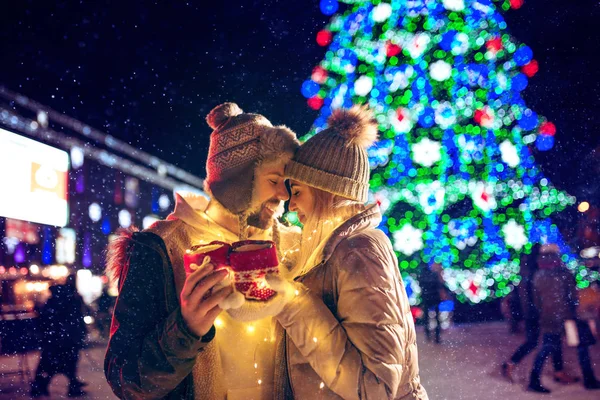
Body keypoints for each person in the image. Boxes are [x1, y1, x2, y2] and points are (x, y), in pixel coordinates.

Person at [104, 102, 300, 399]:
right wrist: (185, 330)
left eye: (286, 183)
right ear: (235, 179)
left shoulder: (292, 247)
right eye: (273, 180)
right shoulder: (160, 248)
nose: (283, 195)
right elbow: (127, 380)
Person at [262, 106, 428, 399]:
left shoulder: (358, 252)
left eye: (298, 191)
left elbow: (374, 388)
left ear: (327, 191)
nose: (291, 205)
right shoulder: (333, 250)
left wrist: (294, 305)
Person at [528, 244, 600, 393]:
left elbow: (536, 301)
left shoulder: (538, 275)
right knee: (582, 347)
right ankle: (589, 379)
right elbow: (572, 297)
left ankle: (534, 379)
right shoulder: (563, 273)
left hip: (548, 318)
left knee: (547, 347)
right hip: (568, 317)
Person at [502, 244, 577, 384]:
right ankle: (511, 364)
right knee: (536, 342)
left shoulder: (531, 267)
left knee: (554, 341)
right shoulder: (537, 269)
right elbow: (532, 293)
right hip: (536, 312)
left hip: (536, 311)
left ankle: (558, 371)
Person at [31, 274, 88, 397]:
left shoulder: (54, 300)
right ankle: (72, 387)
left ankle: (40, 386)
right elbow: (77, 320)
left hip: (55, 339)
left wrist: (45, 334)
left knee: (50, 365)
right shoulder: (73, 300)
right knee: (67, 364)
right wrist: (80, 333)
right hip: (67, 339)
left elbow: (44, 319)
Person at [419, 263, 445, 344]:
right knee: (437, 318)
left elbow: (421, 285)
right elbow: (440, 285)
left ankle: (428, 336)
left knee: (426, 318)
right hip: (435, 297)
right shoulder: (434, 275)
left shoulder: (422, 276)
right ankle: (436, 337)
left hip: (426, 298)